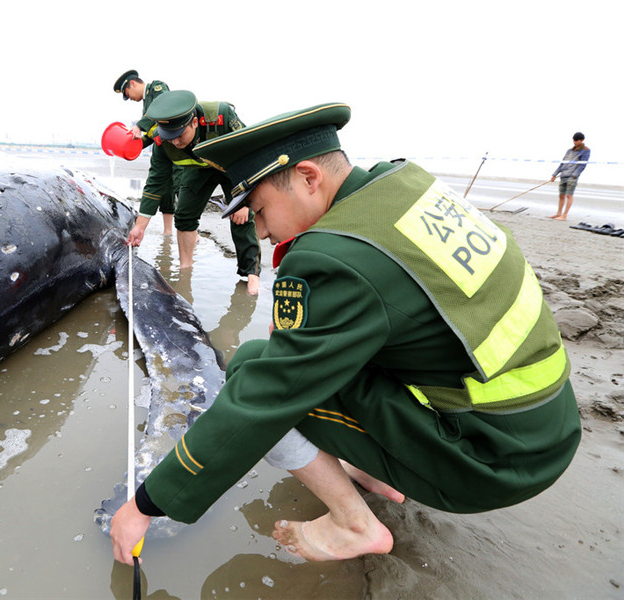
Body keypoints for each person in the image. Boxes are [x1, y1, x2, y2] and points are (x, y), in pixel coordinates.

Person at [110, 102, 581, 565]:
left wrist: (146, 504)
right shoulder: (406, 186)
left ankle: (355, 525)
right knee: (283, 358)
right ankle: (368, 466)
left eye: (259, 209)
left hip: (489, 462)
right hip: (544, 424)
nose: (262, 230)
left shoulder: (334, 257)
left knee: (254, 371)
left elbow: (265, 398)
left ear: (308, 177)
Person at [126, 90, 261, 295]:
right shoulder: (162, 141)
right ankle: (185, 269)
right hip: (198, 169)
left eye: (179, 136)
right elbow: (156, 183)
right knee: (184, 215)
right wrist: (140, 227)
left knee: (240, 216)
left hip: (233, 166)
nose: (175, 142)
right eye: (169, 137)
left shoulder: (221, 117)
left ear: (195, 123)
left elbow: (249, 154)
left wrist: (243, 201)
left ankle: (251, 274)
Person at [113, 69, 175, 235]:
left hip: (175, 146)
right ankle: (168, 232)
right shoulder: (146, 105)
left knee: (181, 186)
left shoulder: (157, 88)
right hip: (161, 148)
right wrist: (134, 145)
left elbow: (161, 106)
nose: (130, 99)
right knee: (165, 189)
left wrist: (139, 125)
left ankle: (192, 233)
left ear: (132, 83)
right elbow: (151, 133)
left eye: (127, 94)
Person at [548, 132, 590, 221]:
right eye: (574, 140)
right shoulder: (569, 151)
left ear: (582, 140)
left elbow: (582, 165)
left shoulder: (586, 150)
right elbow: (562, 163)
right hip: (563, 175)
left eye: (577, 141)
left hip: (572, 177)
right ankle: (558, 213)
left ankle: (564, 215)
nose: (575, 142)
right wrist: (554, 174)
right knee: (561, 195)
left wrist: (574, 175)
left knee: (569, 195)